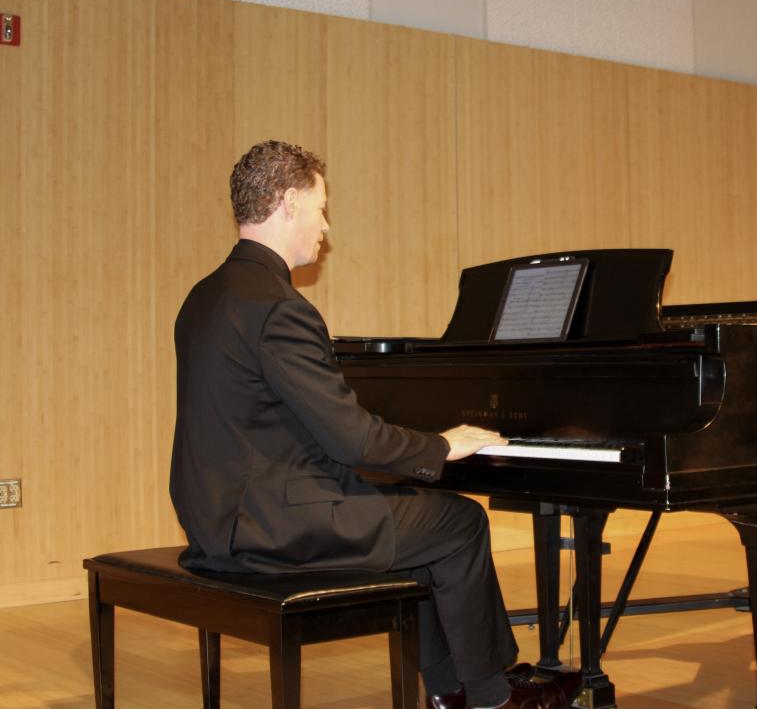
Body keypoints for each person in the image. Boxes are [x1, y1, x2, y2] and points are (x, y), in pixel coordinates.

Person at [170, 140, 582, 709]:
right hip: (275, 526)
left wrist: (406, 458)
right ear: (288, 202)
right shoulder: (280, 306)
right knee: (459, 522)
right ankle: (489, 695)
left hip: (222, 517)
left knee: (414, 514)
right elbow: (351, 438)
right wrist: (441, 442)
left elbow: (276, 426)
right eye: (320, 207)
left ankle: (447, 689)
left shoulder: (206, 295)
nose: (325, 225)